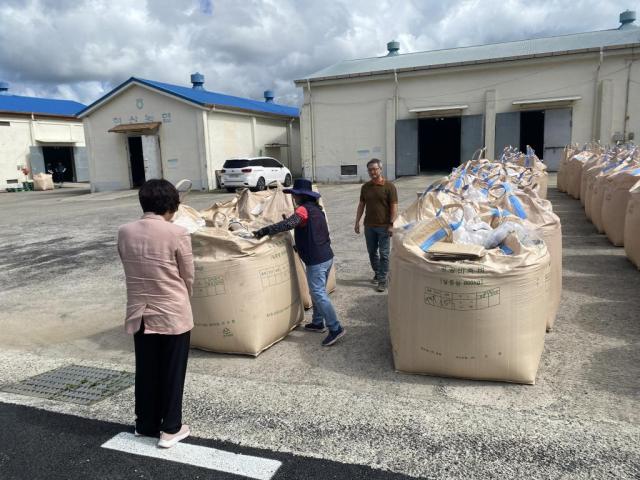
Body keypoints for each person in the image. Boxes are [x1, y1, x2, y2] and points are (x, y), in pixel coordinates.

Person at [117, 179, 194, 449]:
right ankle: (171, 428)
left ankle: (145, 424)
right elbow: (188, 275)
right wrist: (185, 298)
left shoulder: (124, 232)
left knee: (146, 370)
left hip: (139, 313)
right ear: (171, 206)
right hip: (172, 312)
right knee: (173, 371)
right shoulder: (178, 233)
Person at [253, 179, 345, 346]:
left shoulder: (303, 210)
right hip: (326, 256)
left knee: (318, 293)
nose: (293, 198)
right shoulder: (318, 209)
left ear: (301, 196)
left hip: (316, 259)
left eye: (295, 195)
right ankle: (317, 322)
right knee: (319, 291)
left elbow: (290, 223)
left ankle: (335, 327)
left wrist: (265, 230)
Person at [354, 158, 398, 292]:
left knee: (384, 254)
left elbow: (394, 207)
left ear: (380, 169)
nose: (372, 172)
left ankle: (383, 280)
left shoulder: (389, 186)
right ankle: (378, 272)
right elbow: (361, 205)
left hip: (384, 226)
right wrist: (357, 221)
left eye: (375, 169)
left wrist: (391, 224)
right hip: (369, 226)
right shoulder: (365, 187)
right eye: (370, 170)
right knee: (372, 252)